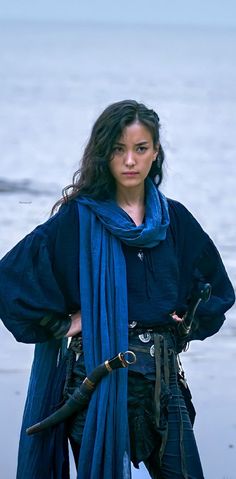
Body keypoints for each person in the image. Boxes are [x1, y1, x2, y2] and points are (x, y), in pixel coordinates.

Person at [0, 100, 235, 479]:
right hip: (96, 382)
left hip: (162, 383)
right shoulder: (79, 219)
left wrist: (184, 321)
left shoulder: (174, 219)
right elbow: (10, 280)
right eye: (118, 150)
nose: (130, 161)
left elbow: (214, 287)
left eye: (140, 149)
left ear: (155, 153)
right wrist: (63, 324)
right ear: (103, 154)